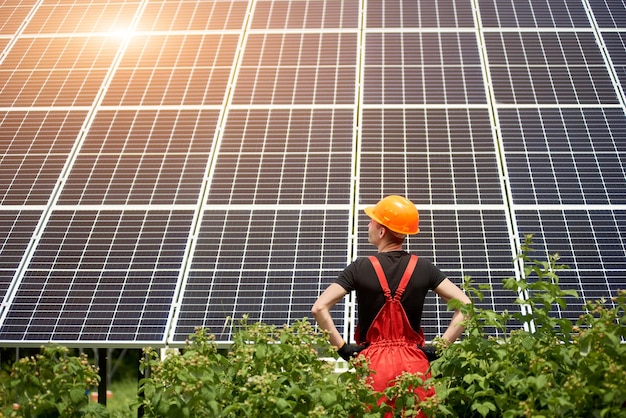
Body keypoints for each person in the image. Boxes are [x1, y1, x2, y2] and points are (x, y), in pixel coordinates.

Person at [311, 195, 471, 415]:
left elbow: (319, 308)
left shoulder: (360, 267)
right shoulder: (424, 268)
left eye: (372, 221)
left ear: (382, 231)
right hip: (415, 365)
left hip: (372, 365)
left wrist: (343, 348)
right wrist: (440, 347)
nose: (368, 225)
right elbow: (466, 306)